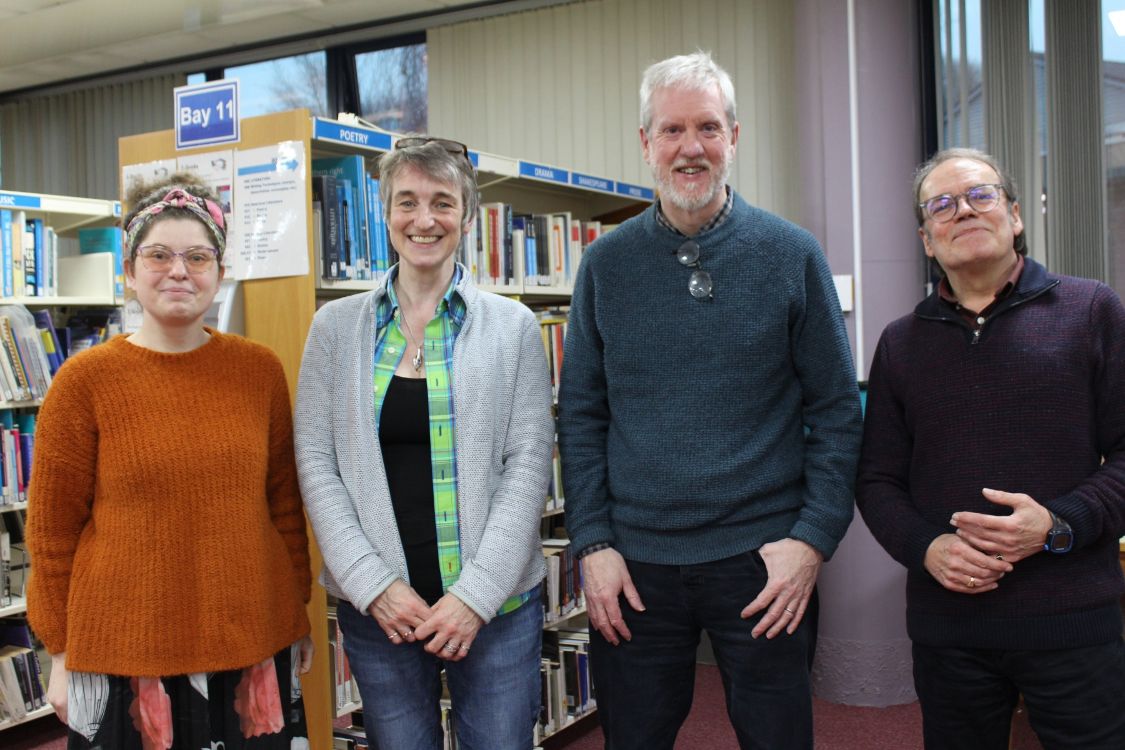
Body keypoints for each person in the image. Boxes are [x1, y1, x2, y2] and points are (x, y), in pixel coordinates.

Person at [556, 51, 862, 750]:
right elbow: (581, 416)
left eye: (707, 128)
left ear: (734, 137)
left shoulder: (791, 254)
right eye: (671, 130)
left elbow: (837, 412)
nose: (689, 147)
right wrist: (593, 543)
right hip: (634, 564)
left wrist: (811, 541)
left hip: (763, 561)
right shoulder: (605, 264)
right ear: (645, 143)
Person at [26, 175, 314, 749]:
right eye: (158, 255)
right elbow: (52, 533)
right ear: (130, 272)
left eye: (197, 257)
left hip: (251, 645)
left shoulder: (259, 371)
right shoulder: (83, 382)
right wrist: (59, 651)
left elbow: (284, 504)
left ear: (219, 272)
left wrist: (295, 611)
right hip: (125, 655)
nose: (178, 271)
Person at [856, 147, 1125, 749]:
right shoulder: (900, 343)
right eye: (942, 205)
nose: (964, 211)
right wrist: (926, 548)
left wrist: (1057, 523)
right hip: (949, 628)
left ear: (1015, 214)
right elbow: (876, 480)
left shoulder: (1091, 310)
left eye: (981, 195)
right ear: (927, 240)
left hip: (1071, 621)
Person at [294, 136, 554, 750]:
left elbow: (527, 467)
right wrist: (373, 585)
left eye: (442, 202)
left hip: (496, 613)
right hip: (381, 616)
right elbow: (316, 462)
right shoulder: (334, 328)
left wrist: (475, 597)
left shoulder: (514, 327)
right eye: (406, 201)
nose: (424, 219)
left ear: (467, 216)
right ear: (385, 214)